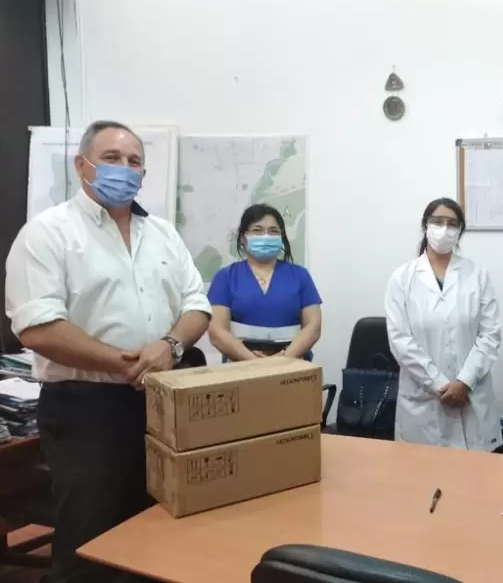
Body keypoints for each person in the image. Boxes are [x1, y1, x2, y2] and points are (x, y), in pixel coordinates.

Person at [4, 120, 211, 582]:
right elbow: (37, 327)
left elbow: (197, 304)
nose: (125, 168)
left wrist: (170, 345)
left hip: (160, 402)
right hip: (85, 409)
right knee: (91, 537)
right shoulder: (48, 233)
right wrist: (126, 364)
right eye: (112, 158)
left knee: (155, 525)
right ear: (82, 166)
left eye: (135, 161)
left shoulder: (163, 234)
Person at [384, 197, 502, 451]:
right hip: (424, 402)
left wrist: (464, 382)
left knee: (476, 473)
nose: (444, 229)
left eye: (452, 224)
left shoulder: (477, 275)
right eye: (438, 222)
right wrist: (439, 384)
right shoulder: (402, 278)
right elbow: (400, 340)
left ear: (460, 231)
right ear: (425, 226)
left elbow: (490, 335)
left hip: (471, 396)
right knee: (423, 472)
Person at [207, 204, 322, 361]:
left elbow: (313, 326)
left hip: (293, 364)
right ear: (243, 237)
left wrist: (284, 359)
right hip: (240, 366)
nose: (266, 236)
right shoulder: (225, 277)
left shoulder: (300, 275)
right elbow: (217, 331)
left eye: (273, 231)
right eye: (257, 230)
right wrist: (254, 362)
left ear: (281, 237)